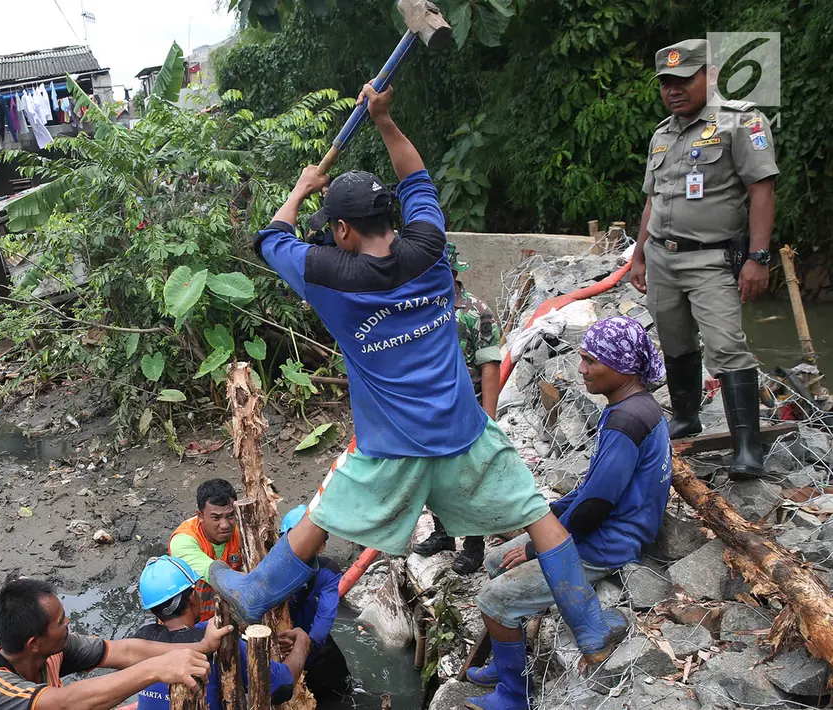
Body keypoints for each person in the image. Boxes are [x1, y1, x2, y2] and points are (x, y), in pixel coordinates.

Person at [210, 82, 625, 677]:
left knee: (320, 523)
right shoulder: (431, 249)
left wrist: (301, 189)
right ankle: (590, 628)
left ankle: (256, 592)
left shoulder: (327, 276)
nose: (330, 237)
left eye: (333, 229)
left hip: (389, 451)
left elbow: (271, 238)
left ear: (344, 230)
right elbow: (418, 180)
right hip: (464, 434)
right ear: (386, 217)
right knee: (540, 516)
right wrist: (385, 120)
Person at [465, 317, 672, 710]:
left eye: (591, 361)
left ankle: (514, 695)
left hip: (610, 539)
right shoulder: (633, 407)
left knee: (493, 599)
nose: (582, 370)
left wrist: (536, 548)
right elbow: (593, 488)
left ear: (623, 367)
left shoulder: (627, 421)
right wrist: (552, 512)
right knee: (495, 560)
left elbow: (595, 506)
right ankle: (511, 659)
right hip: (608, 525)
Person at [629, 38, 778, 479]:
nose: (674, 90)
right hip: (661, 257)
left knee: (727, 348)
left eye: (684, 80)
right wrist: (638, 257)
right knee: (674, 342)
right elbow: (652, 201)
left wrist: (759, 257)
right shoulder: (663, 133)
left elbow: (762, 191)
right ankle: (686, 417)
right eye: (666, 83)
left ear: (708, 76)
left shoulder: (740, 121)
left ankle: (747, 446)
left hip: (711, 259)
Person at [0, 577, 232, 710]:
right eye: (60, 622)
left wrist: (200, 646)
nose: (69, 624)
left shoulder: (51, 650)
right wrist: (157, 669)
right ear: (34, 643)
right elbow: (65, 704)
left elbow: (126, 650)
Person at [412, 244, 504, 574]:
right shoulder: (419, 310)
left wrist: (488, 418)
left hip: (468, 409)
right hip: (430, 408)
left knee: (470, 477)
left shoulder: (474, 311)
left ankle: (474, 543)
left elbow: (490, 364)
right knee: (433, 474)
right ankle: (444, 533)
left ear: (451, 274)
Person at [131, 556, 309, 710]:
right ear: (193, 597)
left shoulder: (140, 642)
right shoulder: (215, 643)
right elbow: (280, 687)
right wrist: (303, 641)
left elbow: (189, 632)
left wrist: (240, 629)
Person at [277, 504, 352, 699]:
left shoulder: (327, 571)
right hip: (278, 647)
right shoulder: (268, 568)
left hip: (314, 647)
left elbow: (325, 618)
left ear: (321, 546)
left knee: (339, 695)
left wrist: (304, 644)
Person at [168, 479, 243, 622]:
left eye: (230, 516)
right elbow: (216, 574)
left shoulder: (244, 535)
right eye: (216, 517)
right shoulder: (183, 541)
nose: (225, 525)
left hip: (225, 618)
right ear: (200, 515)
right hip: (187, 625)